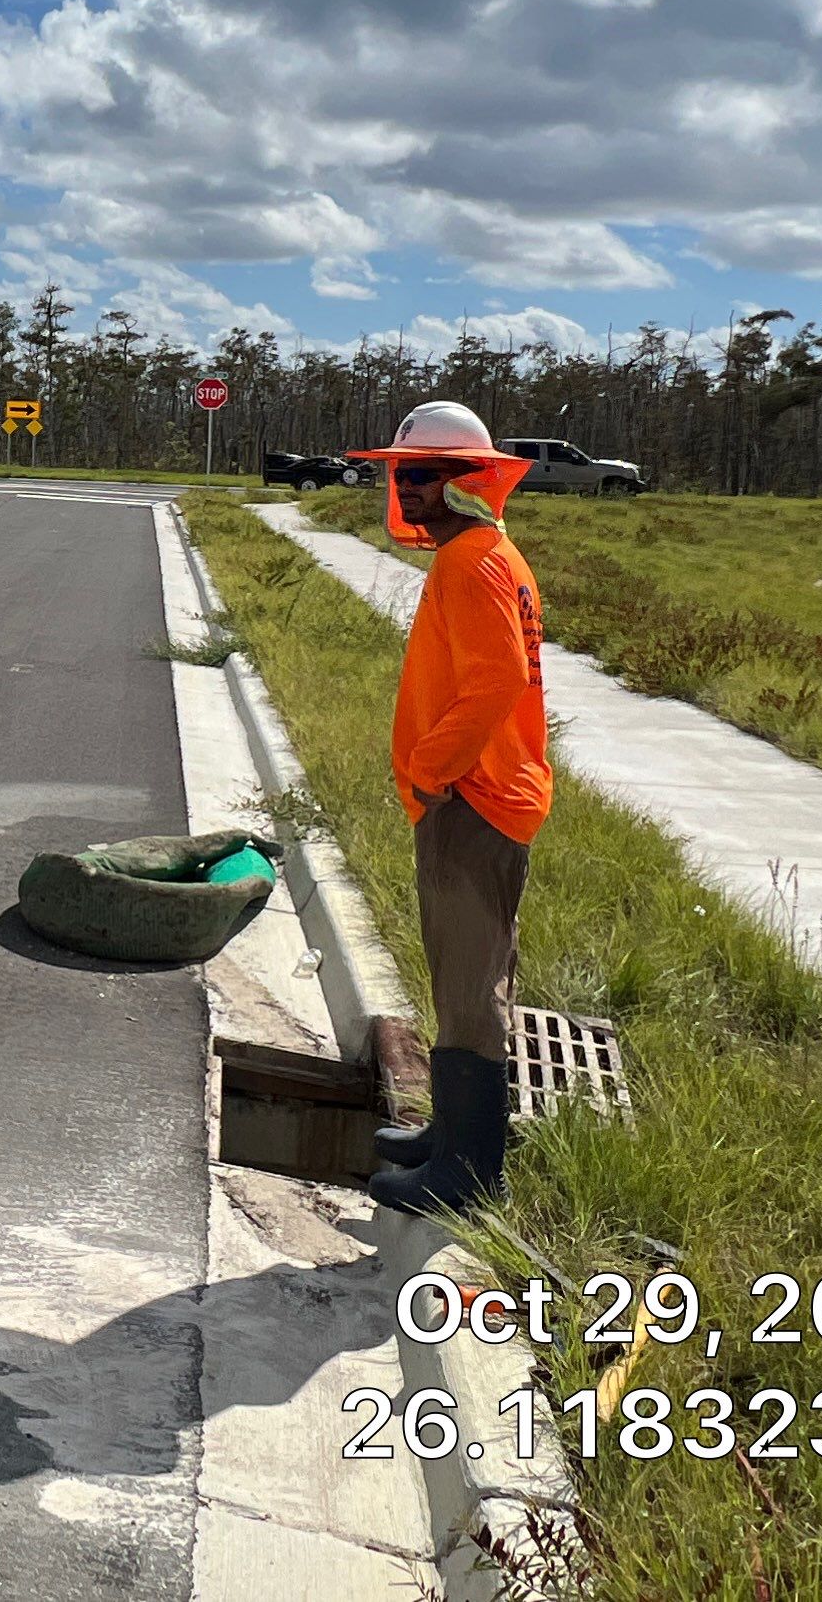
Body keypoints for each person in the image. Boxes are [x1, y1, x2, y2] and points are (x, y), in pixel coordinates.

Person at [347, 401, 551, 1217]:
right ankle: (450, 1139)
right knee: (465, 978)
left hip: (474, 800)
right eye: (403, 473)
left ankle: (468, 1177)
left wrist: (432, 771)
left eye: (424, 473)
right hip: (485, 796)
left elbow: (498, 680)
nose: (409, 487)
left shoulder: (472, 563)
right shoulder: (485, 554)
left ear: (469, 480)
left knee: (471, 993)